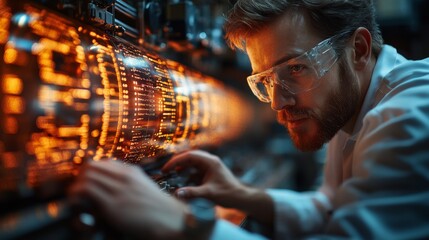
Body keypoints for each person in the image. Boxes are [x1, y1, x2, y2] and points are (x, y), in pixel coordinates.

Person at [69, 0, 429, 239]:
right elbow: (332, 208)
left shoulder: (408, 117)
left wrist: (184, 223)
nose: (277, 102)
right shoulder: (348, 104)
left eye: (296, 69)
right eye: (266, 81)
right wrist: (243, 196)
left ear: (359, 50)